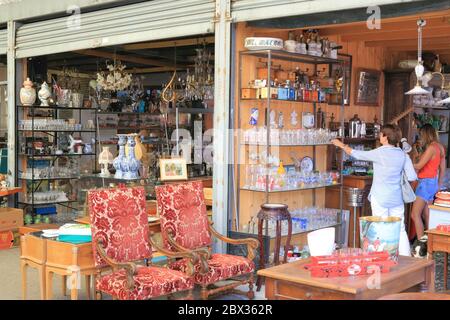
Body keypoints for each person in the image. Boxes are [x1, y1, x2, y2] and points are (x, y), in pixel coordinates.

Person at [332, 124, 417, 256]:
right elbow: (412, 176)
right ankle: (407, 259)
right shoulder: (403, 155)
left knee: (380, 227)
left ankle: (383, 258)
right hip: (397, 198)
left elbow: (355, 154)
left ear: (385, 137)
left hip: (380, 197)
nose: (379, 136)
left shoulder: (379, 152)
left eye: (381, 134)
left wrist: (340, 145)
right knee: (400, 228)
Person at [410, 124, 446, 245]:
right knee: (427, 215)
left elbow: (419, 166)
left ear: (425, 134)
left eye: (421, 135)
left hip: (425, 184)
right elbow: (442, 168)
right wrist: (438, 184)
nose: (420, 138)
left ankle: (421, 244)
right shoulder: (440, 147)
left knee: (415, 214)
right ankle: (431, 244)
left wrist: (406, 163)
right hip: (433, 183)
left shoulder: (431, 148)